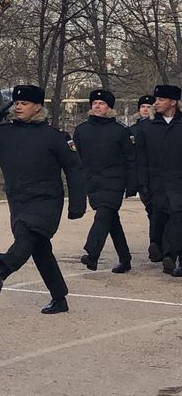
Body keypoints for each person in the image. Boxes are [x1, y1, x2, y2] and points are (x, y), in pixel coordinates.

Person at [0, 84, 86, 313]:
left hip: (46, 201)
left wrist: (77, 204)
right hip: (18, 201)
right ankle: (60, 298)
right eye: (15, 103)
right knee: (40, 249)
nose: (18, 107)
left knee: (27, 236)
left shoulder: (54, 136)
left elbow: (74, 168)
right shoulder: (3, 133)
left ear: (37, 107)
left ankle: (2, 271)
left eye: (23, 103)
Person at [74, 89, 134, 273]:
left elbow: (131, 159)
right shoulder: (82, 130)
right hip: (93, 181)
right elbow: (77, 158)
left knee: (103, 215)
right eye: (95, 103)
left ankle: (92, 253)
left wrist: (132, 185)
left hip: (114, 182)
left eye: (101, 103)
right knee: (110, 220)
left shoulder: (121, 131)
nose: (97, 106)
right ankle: (125, 259)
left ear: (109, 107)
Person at [134, 84, 182, 275]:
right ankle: (162, 250)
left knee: (178, 217)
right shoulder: (146, 126)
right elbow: (141, 158)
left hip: (179, 182)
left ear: (173, 102)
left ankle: (172, 256)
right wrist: (142, 183)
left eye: (161, 100)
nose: (157, 103)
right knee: (160, 218)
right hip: (157, 183)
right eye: (156, 99)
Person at [133, 93, 157, 256]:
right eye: (143, 107)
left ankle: (158, 244)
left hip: (157, 175)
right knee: (151, 211)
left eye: (149, 107)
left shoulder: (157, 127)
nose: (145, 110)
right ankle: (156, 243)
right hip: (141, 176)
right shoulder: (131, 130)